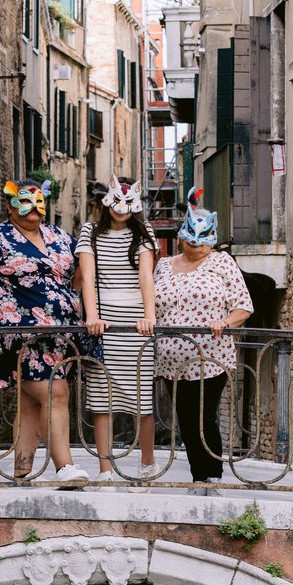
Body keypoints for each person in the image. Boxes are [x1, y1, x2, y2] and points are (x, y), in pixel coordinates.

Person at [0, 178, 91, 486]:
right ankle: (65, 467)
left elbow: (78, 275)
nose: (33, 209)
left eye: (38, 202)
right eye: (25, 202)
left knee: (31, 403)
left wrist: (72, 303)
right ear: (10, 205)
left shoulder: (59, 236)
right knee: (55, 391)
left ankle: (21, 471)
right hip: (21, 336)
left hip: (61, 337)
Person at [155, 190, 253, 485]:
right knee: (185, 420)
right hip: (170, 361)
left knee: (204, 416)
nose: (195, 245)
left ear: (211, 239)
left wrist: (224, 321)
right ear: (182, 235)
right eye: (190, 238)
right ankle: (198, 476)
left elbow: (243, 306)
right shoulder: (163, 265)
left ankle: (213, 475)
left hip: (211, 357)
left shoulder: (222, 263)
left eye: (201, 240)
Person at [76, 177, 157, 481]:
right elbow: (87, 278)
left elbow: (146, 278)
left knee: (143, 400)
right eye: (116, 201)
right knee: (101, 400)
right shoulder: (89, 232)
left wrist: (149, 317)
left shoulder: (144, 232)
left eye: (128, 203)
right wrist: (92, 316)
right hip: (104, 324)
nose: (121, 209)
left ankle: (147, 464)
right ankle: (105, 470)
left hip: (138, 324)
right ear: (106, 200)